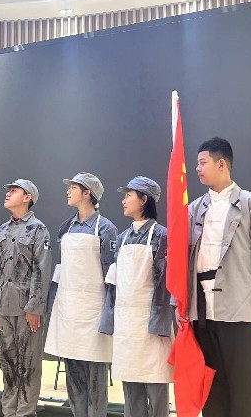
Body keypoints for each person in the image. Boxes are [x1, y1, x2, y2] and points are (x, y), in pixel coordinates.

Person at [177, 137, 251, 417]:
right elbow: (182, 259)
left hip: (238, 304)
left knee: (244, 383)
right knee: (211, 382)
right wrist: (180, 303)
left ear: (221, 164)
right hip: (201, 307)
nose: (197, 168)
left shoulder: (250, 203)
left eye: (202, 162)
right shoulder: (194, 208)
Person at [44, 173, 117, 417]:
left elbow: (111, 275)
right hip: (68, 311)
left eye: (73, 187)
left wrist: (109, 314)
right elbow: (60, 269)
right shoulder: (66, 227)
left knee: (95, 378)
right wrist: (52, 304)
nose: (68, 191)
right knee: (73, 376)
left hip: (93, 312)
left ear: (87, 193)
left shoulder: (105, 228)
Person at [101, 176, 172, 417]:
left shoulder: (161, 236)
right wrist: (109, 321)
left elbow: (163, 284)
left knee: (156, 387)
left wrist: (159, 324)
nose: (123, 201)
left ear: (144, 200)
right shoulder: (121, 238)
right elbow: (113, 283)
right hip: (126, 325)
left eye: (128, 196)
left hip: (151, 325)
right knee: (131, 390)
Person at [0, 179, 51, 417]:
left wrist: (34, 307)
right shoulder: (1, 230)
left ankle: (25, 412)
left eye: (14, 191)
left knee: (28, 363)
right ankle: (9, 411)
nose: (8, 193)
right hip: (3, 305)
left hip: (26, 308)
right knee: (7, 361)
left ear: (27, 197)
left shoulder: (38, 229)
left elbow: (42, 270)